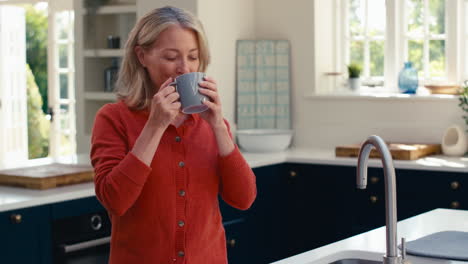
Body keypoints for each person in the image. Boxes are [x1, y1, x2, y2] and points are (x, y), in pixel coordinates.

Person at [90, 6, 257, 264]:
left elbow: (244, 198)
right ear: (142, 56)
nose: (184, 68)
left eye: (193, 57)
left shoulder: (213, 125)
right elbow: (115, 200)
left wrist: (219, 129)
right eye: (171, 57)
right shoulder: (113, 118)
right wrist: (155, 126)